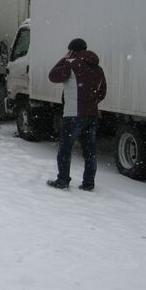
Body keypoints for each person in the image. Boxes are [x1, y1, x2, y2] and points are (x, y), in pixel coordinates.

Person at [47, 38, 106, 191]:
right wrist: (92, 102)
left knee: (65, 148)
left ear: (72, 50)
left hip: (73, 114)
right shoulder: (98, 69)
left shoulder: (71, 65)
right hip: (92, 115)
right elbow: (102, 92)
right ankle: (88, 183)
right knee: (90, 151)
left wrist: (64, 59)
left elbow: (52, 76)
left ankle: (63, 180)